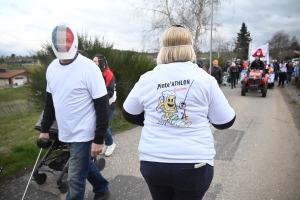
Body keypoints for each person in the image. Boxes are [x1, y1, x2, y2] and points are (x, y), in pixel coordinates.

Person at [122, 25, 236, 200]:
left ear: (162, 48)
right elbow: (225, 121)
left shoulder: (147, 78)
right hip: (194, 164)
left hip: (153, 162)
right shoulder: (205, 80)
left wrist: (157, 120)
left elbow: (129, 112)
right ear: (190, 48)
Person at [39, 23, 110, 200]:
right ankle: (102, 188)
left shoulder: (89, 68)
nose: (63, 44)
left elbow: (102, 106)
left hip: (83, 133)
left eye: (66, 40)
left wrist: (99, 139)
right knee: (83, 162)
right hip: (66, 131)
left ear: (74, 41)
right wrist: (45, 129)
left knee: (75, 180)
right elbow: (50, 102)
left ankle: (98, 191)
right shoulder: (52, 68)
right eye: (59, 41)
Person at [93, 54, 117, 157]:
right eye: (93, 61)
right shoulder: (93, 73)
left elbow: (110, 91)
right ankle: (106, 143)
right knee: (101, 124)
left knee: (104, 124)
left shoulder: (108, 73)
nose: (93, 63)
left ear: (101, 62)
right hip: (98, 104)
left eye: (96, 61)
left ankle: (111, 144)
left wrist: (100, 99)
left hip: (109, 104)